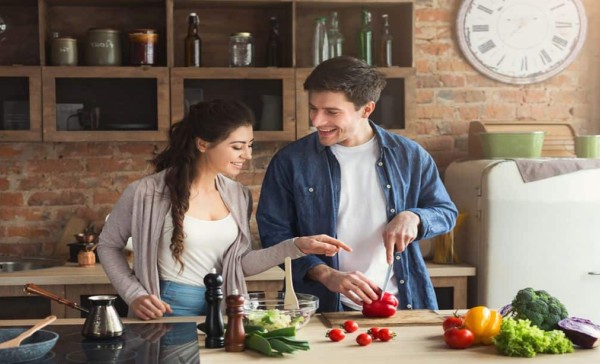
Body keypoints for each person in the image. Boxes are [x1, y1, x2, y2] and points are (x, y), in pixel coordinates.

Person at [98, 99, 350, 320]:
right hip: (166, 309)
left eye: (250, 145)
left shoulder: (238, 195)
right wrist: (134, 295)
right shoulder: (145, 193)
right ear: (203, 144)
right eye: (237, 147)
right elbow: (108, 245)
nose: (247, 155)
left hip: (225, 309)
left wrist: (296, 246)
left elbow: (238, 265)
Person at [256, 56, 458, 313]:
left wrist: (414, 217)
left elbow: (445, 212)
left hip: (400, 304)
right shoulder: (290, 161)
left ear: (366, 109)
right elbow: (275, 235)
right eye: (313, 108)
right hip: (321, 309)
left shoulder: (410, 155)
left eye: (331, 112)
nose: (317, 121)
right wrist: (325, 273)